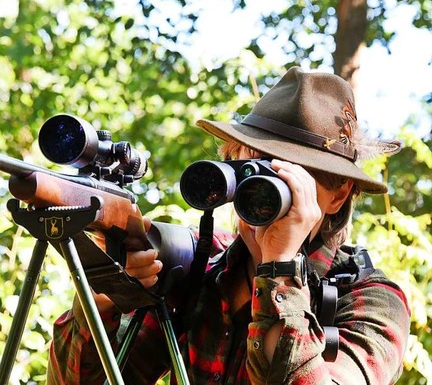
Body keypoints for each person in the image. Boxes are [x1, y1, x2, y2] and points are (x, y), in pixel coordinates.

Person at [46, 67, 410, 384]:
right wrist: (104, 296)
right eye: (253, 166)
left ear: (339, 192)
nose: (264, 191)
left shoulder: (374, 303)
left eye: (288, 173)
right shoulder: (199, 270)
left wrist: (280, 270)